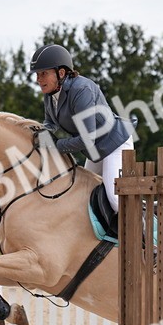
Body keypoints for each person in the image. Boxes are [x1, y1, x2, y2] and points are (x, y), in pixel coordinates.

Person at [33, 43, 133, 215]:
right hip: (95, 152)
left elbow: (87, 139)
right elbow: (51, 124)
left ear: (61, 73)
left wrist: (55, 146)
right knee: (83, 195)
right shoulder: (50, 96)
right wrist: (36, 133)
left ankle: (148, 232)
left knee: (115, 198)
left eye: (43, 74)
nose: (38, 79)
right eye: (37, 74)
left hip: (115, 145)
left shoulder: (81, 90)